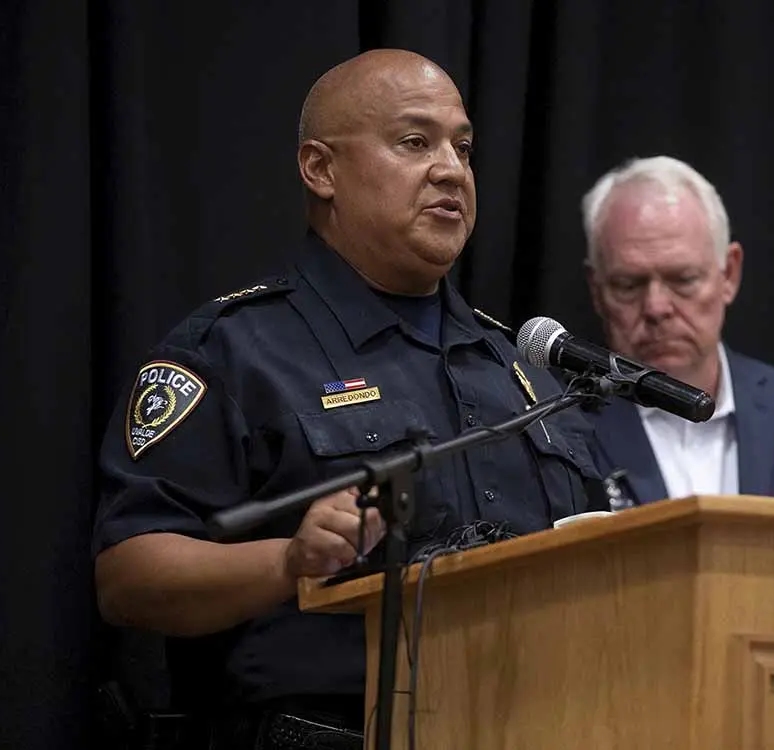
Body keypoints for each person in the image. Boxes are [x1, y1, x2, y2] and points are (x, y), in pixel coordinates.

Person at [92, 49, 605, 749]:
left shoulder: (518, 368)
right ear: (320, 168)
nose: (452, 169)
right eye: (415, 142)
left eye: (463, 147)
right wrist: (288, 562)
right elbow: (129, 576)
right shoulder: (236, 351)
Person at [580, 156, 774, 506]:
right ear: (596, 289)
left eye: (683, 280)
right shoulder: (556, 430)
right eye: (627, 284)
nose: (656, 307)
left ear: (729, 274)